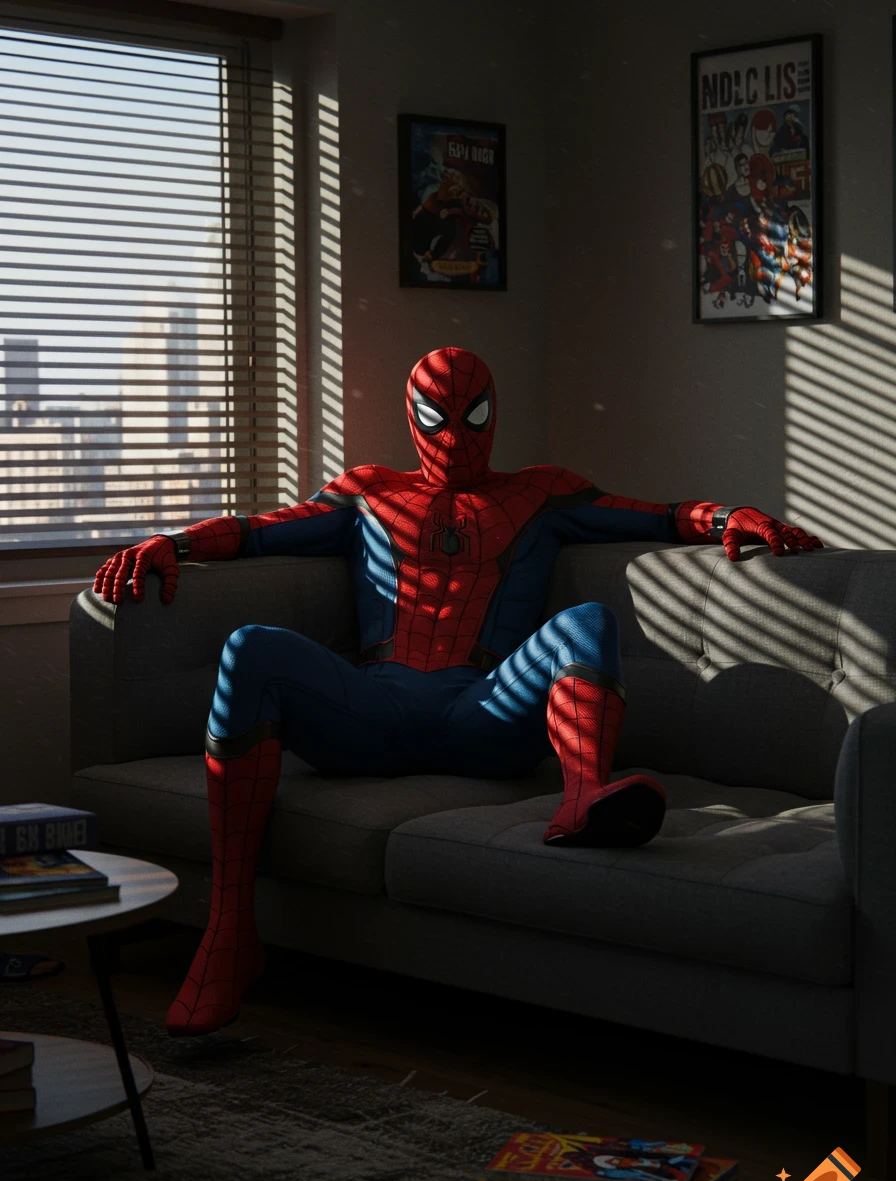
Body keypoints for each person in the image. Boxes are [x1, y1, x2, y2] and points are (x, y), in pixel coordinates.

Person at [94, 347, 823, 1036]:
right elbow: (258, 531)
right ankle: (229, 928)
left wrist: (729, 517)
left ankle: (582, 799)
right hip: (373, 709)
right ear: (411, 415)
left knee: (587, 623)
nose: (454, 437)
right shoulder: (368, 493)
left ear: (494, 414)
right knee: (251, 647)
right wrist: (175, 542)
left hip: (484, 713)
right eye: (437, 417)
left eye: (472, 416)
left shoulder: (541, 492)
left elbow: (658, 514)